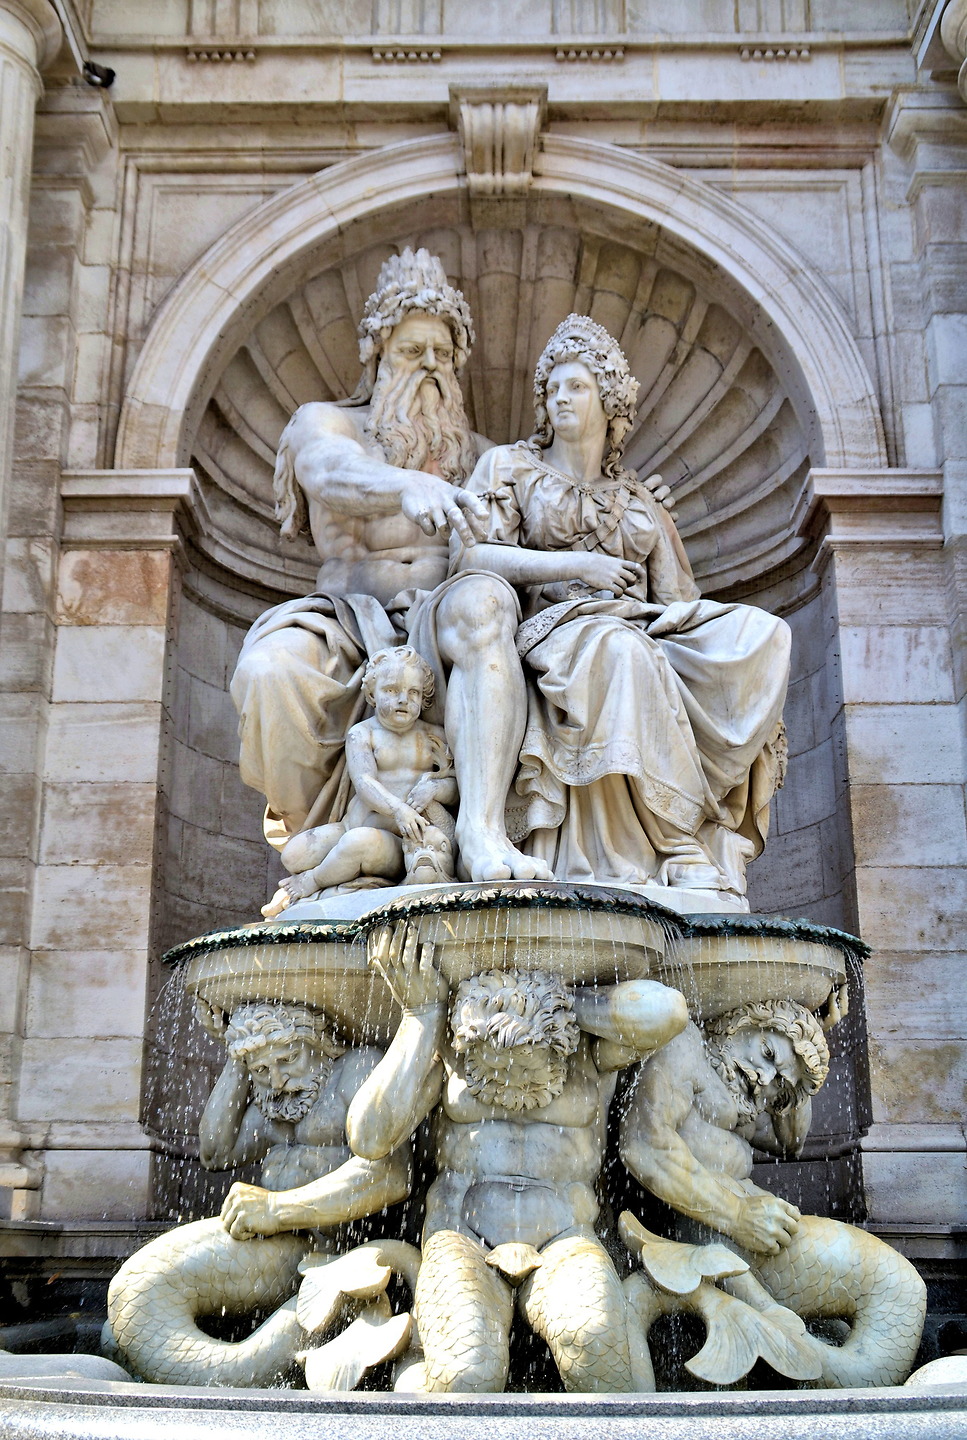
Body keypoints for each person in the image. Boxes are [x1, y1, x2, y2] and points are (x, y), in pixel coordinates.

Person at [410, 313, 791, 896]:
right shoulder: (510, 466)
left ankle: (699, 824)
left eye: (577, 386)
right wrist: (578, 566)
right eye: (552, 388)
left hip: (636, 624)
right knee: (621, 650)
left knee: (763, 633)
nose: (560, 398)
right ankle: (673, 839)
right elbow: (473, 557)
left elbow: (678, 598)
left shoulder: (639, 502)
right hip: (547, 626)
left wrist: (678, 623)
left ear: (609, 401)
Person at [343, 923, 689, 1393]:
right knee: (467, 1377)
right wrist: (421, 1017)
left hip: (567, 1239)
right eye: (494, 1064)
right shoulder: (451, 1050)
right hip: (462, 1237)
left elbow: (668, 1012)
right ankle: (417, 1359)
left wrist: (556, 1003)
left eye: (525, 1062)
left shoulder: (588, 1051)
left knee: (598, 1355)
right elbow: (368, 1137)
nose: (508, 1079)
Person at [229, 247, 497, 848]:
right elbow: (329, 472)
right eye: (411, 351)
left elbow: (551, 515)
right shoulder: (326, 424)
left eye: (443, 354)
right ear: (377, 353)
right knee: (269, 672)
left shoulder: (483, 455)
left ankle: (475, 831)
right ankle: (315, 837)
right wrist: (406, 485)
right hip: (347, 620)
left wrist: (637, 505)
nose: (430, 366)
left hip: (448, 625)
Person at [618, 998, 829, 1255]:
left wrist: (812, 1042)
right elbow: (643, 1143)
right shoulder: (686, 1044)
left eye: (779, 1083)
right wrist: (737, 1215)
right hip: (704, 1227)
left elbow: (791, 1144)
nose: (764, 1078)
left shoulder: (746, 1107)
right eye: (768, 1053)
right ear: (744, 1023)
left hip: (742, 1226)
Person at [261, 646, 457, 917]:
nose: (403, 699)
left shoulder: (434, 736)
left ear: (424, 695)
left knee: (357, 843)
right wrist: (399, 809)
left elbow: (457, 788)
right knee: (293, 855)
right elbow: (364, 781)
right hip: (352, 824)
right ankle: (328, 872)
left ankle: (311, 881)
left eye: (413, 692)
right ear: (373, 694)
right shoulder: (363, 733)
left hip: (403, 841)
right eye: (391, 690)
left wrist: (436, 789)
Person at [196, 998, 411, 1241]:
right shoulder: (272, 1103)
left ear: (319, 1043)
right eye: (261, 1069)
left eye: (289, 1059)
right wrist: (238, 1054)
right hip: (281, 1240)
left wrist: (276, 1209)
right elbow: (215, 1155)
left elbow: (394, 1176)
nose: (277, 1081)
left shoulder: (357, 1069)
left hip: (357, 1247)